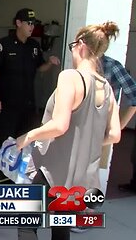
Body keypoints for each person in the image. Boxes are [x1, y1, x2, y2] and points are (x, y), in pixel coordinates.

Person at [16, 21, 122, 240]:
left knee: (26, 224)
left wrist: (26, 137)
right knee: (61, 227)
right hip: (81, 178)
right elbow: (114, 135)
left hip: (53, 171)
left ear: (81, 45)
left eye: (72, 46)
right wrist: (84, 141)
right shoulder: (107, 87)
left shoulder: (70, 77)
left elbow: (59, 125)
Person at [0, 8, 60, 183]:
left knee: (22, 142)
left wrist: (49, 63)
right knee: (2, 141)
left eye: (33, 23)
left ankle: (11, 179)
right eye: (28, 23)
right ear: (18, 23)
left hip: (26, 104)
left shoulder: (33, 46)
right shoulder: (3, 44)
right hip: (6, 104)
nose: (31, 26)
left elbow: (39, 68)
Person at [101, 55, 136, 193]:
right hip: (80, 126)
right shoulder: (80, 65)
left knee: (92, 172)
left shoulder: (111, 65)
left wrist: (120, 126)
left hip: (101, 127)